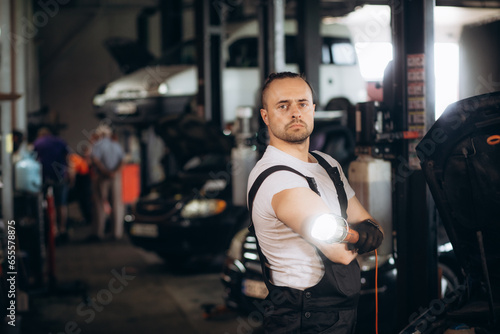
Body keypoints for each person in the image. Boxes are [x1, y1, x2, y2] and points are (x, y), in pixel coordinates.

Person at [248, 72, 384, 333]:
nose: (295, 112)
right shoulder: (278, 179)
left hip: (339, 312)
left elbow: (372, 223)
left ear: (313, 108)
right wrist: (364, 235)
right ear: (265, 116)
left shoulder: (326, 163)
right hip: (302, 318)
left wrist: (365, 231)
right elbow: (339, 253)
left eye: (302, 103)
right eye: (283, 105)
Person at [33, 127, 70, 242]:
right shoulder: (59, 141)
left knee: (49, 205)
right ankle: (62, 228)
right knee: (61, 204)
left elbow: (34, 158)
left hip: (45, 177)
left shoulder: (38, 142)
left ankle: (53, 229)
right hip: (59, 175)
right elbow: (68, 157)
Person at [90, 124, 125, 241]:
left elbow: (95, 159)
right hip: (115, 177)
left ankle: (98, 233)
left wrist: (105, 171)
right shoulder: (116, 145)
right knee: (117, 204)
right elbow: (122, 160)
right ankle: (116, 233)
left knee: (99, 204)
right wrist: (114, 172)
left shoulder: (98, 145)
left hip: (102, 177)